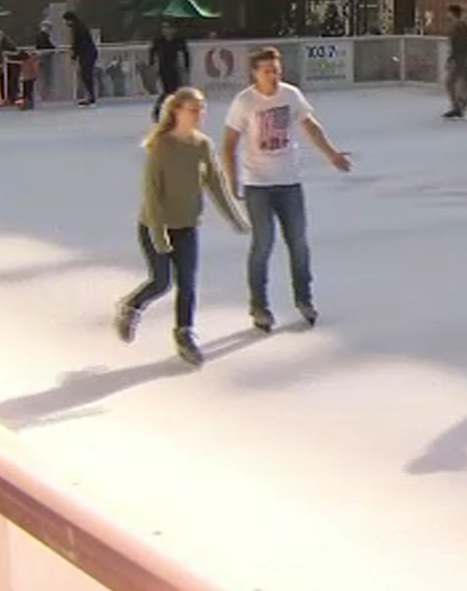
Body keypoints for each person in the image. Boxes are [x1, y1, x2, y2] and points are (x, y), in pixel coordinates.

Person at [222, 47, 352, 332]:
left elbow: (310, 126)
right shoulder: (244, 102)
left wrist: (332, 154)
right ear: (255, 73)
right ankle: (259, 305)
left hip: (289, 182)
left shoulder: (290, 95)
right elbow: (229, 143)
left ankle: (304, 299)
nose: (273, 76)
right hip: (258, 184)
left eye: (276, 70)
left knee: (298, 243)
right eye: (267, 70)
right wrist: (233, 178)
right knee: (263, 243)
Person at [115, 87, 247, 365]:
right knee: (162, 282)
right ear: (176, 112)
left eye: (202, 109)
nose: (199, 114)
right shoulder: (160, 147)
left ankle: (185, 333)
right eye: (193, 109)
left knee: (187, 283)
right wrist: (159, 236)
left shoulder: (202, 145)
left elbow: (216, 185)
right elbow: (152, 196)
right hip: (155, 223)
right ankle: (131, 306)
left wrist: (234, 217)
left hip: (187, 226)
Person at [149, 21, 190, 120]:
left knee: (175, 91)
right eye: (164, 29)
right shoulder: (159, 40)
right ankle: (158, 111)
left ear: (174, 30)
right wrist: (152, 63)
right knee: (168, 91)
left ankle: (171, 112)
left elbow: (185, 53)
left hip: (174, 68)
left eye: (169, 28)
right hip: (163, 69)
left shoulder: (178, 40)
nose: (166, 31)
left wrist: (186, 65)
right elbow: (152, 51)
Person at [66, 10, 99, 106]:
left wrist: (74, 54)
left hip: (87, 54)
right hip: (88, 53)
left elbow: (78, 42)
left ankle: (91, 96)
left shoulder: (78, 28)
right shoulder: (80, 26)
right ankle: (90, 95)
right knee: (85, 74)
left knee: (86, 75)